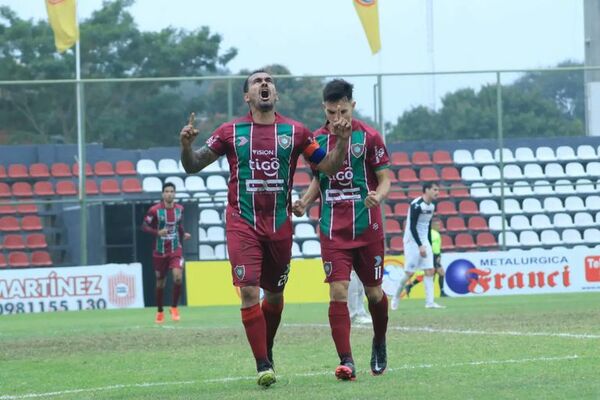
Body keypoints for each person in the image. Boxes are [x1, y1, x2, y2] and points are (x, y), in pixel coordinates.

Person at [179, 70, 350, 388]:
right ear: (247, 96)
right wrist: (186, 147)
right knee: (248, 291)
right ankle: (262, 364)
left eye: (269, 81)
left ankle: (266, 347)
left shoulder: (295, 131)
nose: (264, 84)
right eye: (257, 82)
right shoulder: (230, 131)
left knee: (274, 295)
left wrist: (340, 140)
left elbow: (328, 167)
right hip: (242, 223)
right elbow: (193, 165)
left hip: (280, 226)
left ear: (277, 94)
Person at [293, 79, 391, 380]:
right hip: (333, 229)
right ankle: (346, 360)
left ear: (353, 106)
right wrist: (306, 202)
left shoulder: (370, 137)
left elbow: (385, 178)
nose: (338, 118)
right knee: (338, 290)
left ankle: (379, 339)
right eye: (332, 112)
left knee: (374, 294)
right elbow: (319, 179)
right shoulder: (315, 141)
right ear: (324, 108)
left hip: (367, 227)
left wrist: (379, 195)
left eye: (343, 111)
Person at [141, 182, 191, 324]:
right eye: (167, 191)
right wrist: (157, 232)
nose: (169, 194)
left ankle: (174, 307)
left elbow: (178, 225)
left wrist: (183, 233)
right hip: (160, 251)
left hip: (176, 248)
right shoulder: (155, 210)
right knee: (160, 283)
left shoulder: (180, 209)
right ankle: (160, 311)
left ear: (174, 194)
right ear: (163, 194)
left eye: (171, 191)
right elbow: (144, 226)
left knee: (177, 277)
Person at [391, 182, 445, 310]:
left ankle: (430, 302)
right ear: (426, 190)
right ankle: (396, 296)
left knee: (430, 271)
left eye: (438, 190)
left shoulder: (432, 206)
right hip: (412, 241)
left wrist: (428, 245)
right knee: (409, 273)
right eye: (435, 189)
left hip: (424, 240)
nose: (437, 192)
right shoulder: (416, 205)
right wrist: (420, 245)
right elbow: (412, 227)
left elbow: (427, 226)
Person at [403, 217, 447, 298]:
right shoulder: (428, 233)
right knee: (437, 273)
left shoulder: (437, 234)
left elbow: (438, 246)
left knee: (432, 274)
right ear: (433, 225)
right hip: (430, 255)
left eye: (439, 225)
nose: (439, 226)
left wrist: (439, 256)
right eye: (437, 225)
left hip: (436, 255)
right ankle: (440, 292)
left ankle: (410, 286)